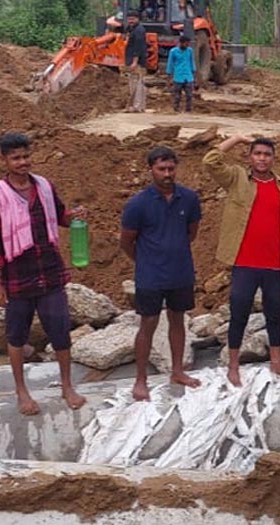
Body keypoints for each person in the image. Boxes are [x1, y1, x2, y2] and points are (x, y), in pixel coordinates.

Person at [0, 132, 87, 416]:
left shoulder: (43, 186)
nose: (22, 162)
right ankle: (21, 392)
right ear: (4, 160)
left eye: (25, 156)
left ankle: (67, 386)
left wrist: (74, 217)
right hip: (18, 275)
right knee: (17, 336)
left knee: (61, 331)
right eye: (15, 158)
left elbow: (61, 216)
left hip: (50, 272)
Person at [203, 134, 280, 386]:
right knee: (239, 313)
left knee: (275, 313)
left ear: (273, 158)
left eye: (267, 154)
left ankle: (275, 361)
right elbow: (210, 161)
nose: (262, 158)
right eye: (257, 153)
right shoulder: (237, 178)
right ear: (250, 157)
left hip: (274, 264)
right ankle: (233, 364)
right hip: (244, 263)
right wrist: (237, 139)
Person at [120, 146, 203, 401]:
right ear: (151, 170)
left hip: (180, 272)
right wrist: (145, 261)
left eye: (171, 168)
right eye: (161, 169)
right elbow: (126, 242)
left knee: (178, 321)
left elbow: (192, 232)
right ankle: (140, 379)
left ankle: (177, 371)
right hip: (150, 276)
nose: (167, 174)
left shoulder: (188, 199)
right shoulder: (137, 204)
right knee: (148, 324)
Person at [124, 11, 148, 113]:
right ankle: (141, 106)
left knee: (135, 83)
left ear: (138, 19)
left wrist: (134, 61)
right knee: (139, 83)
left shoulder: (139, 31)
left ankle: (136, 106)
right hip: (136, 60)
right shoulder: (133, 29)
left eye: (133, 19)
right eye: (129, 19)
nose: (130, 21)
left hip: (137, 61)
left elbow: (138, 47)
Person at [165, 36, 195, 113]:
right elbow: (170, 64)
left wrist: (193, 72)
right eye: (186, 43)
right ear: (181, 43)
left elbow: (192, 62)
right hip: (178, 76)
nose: (187, 45)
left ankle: (188, 110)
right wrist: (169, 75)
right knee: (177, 95)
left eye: (188, 43)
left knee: (189, 95)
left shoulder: (189, 51)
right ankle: (176, 109)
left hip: (188, 76)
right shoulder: (173, 51)